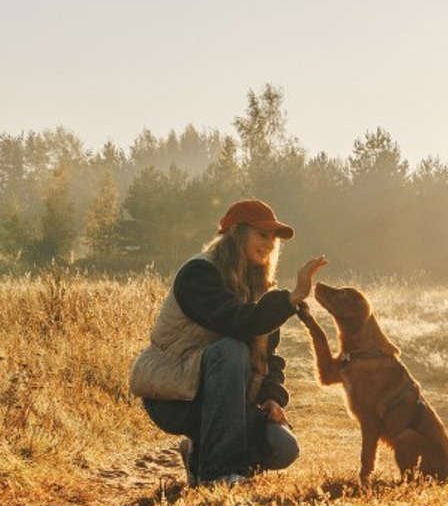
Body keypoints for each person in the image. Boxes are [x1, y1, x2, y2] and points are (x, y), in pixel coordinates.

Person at [130, 199, 327, 485]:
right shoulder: (198, 274)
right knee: (232, 348)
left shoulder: (258, 289)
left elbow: (269, 357)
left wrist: (272, 398)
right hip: (175, 395)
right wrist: (291, 298)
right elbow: (237, 320)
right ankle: (219, 473)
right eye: (262, 234)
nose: (271, 244)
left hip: (226, 399)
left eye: (274, 238)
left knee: (284, 448)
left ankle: (200, 456)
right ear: (237, 233)